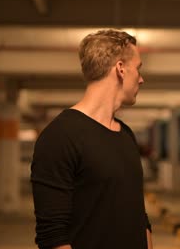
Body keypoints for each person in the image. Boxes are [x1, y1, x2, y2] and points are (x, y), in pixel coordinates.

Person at [31, 29, 153, 249]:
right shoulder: (60, 136)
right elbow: (53, 237)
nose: (142, 79)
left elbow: (138, 214)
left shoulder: (126, 135)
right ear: (121, 69)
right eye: (138, 69)